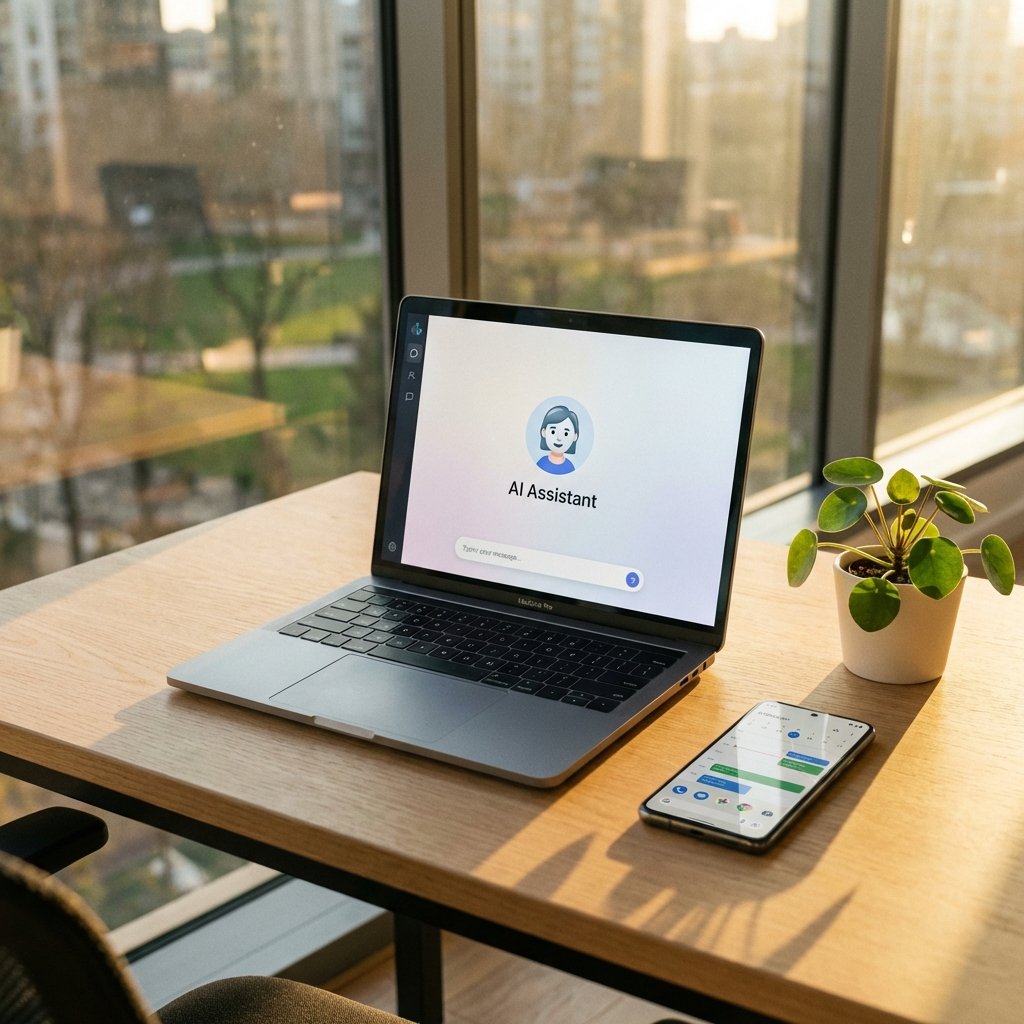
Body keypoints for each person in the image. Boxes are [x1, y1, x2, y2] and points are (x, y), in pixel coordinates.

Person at [537, 405, 579, 474]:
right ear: (544, 432)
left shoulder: (570, 467)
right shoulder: (541, 463)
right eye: (553, 432)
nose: (559, 438)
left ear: (575, 436)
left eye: (566, 433)